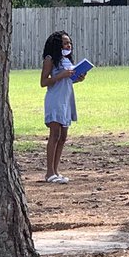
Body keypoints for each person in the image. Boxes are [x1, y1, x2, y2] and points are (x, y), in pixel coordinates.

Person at [41, 30, 85, 183]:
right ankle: (49, 172)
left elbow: (67, 80)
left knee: (63, 136)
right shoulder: (50, 59)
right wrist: (61, 75)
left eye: (69, 43)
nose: (68, 45)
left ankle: (56, 171)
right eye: (65, 43)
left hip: (66, 100)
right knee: (55, 134)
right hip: (55, 100)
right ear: (57, 45)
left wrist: (77, 78)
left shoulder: (66, 60)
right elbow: (43, 82)